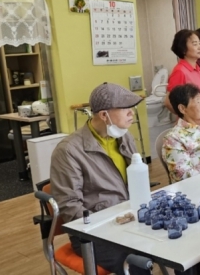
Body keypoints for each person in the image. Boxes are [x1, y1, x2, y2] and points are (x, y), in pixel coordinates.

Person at [50, 83, 150, 275]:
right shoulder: (69, 151)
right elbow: (70, 207)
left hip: (130, 220)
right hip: (93, 234)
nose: (132, 114)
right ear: (104, 115)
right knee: (137, 262)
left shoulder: (124, 137)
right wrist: (111, 226)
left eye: (132, 108)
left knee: (176, 241)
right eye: (125, 109)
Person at [165, 29, 200, 122]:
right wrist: (188, 119)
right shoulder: (180, 71)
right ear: (183, 49)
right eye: (195, 44)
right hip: (191, 127)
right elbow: (168, 102)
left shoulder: (197, 68)